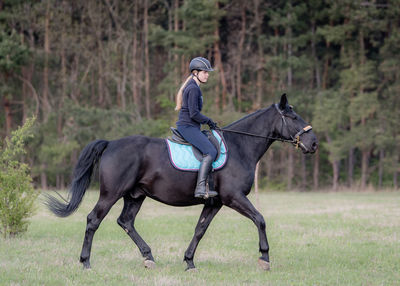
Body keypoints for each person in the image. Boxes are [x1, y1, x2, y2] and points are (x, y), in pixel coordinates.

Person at [175, 57, 218, 199]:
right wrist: (209, 121)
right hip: (187, 126)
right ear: (195, 72)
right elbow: (194, 114)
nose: (207, 74)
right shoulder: (193, 88)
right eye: (205, 72)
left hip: (191, 126)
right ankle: (200, 188)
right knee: (210, 150)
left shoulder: (194, 86)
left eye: (208, 72)